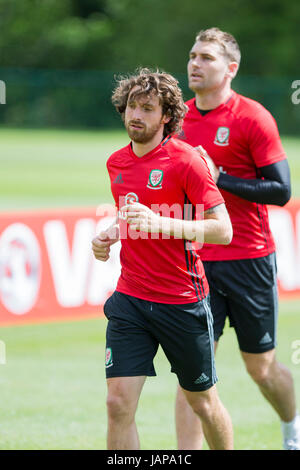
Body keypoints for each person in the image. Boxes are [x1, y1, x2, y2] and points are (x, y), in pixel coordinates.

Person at [92, 68, 234, 450]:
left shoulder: (187, 161)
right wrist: (110, 233)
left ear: (166, 116)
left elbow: (223, 230)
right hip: (131, 300)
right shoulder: (116, 163)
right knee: (117, 403)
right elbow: (133, 217)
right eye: (131, 107)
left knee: (203, 403)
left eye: (147, 108)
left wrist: (161, 223)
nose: (135, 115)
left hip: (183, 303)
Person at [175, 27, 300, 451]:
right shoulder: (178, 120)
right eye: (193, 55)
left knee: (261, 369)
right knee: (192, 370)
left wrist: (221, 178)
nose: (195, 63)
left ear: (231, 68)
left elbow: (281, 191)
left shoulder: (252, 117)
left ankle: (292, 429)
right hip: (196, 262)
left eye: (206, 57)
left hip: (249, 260)